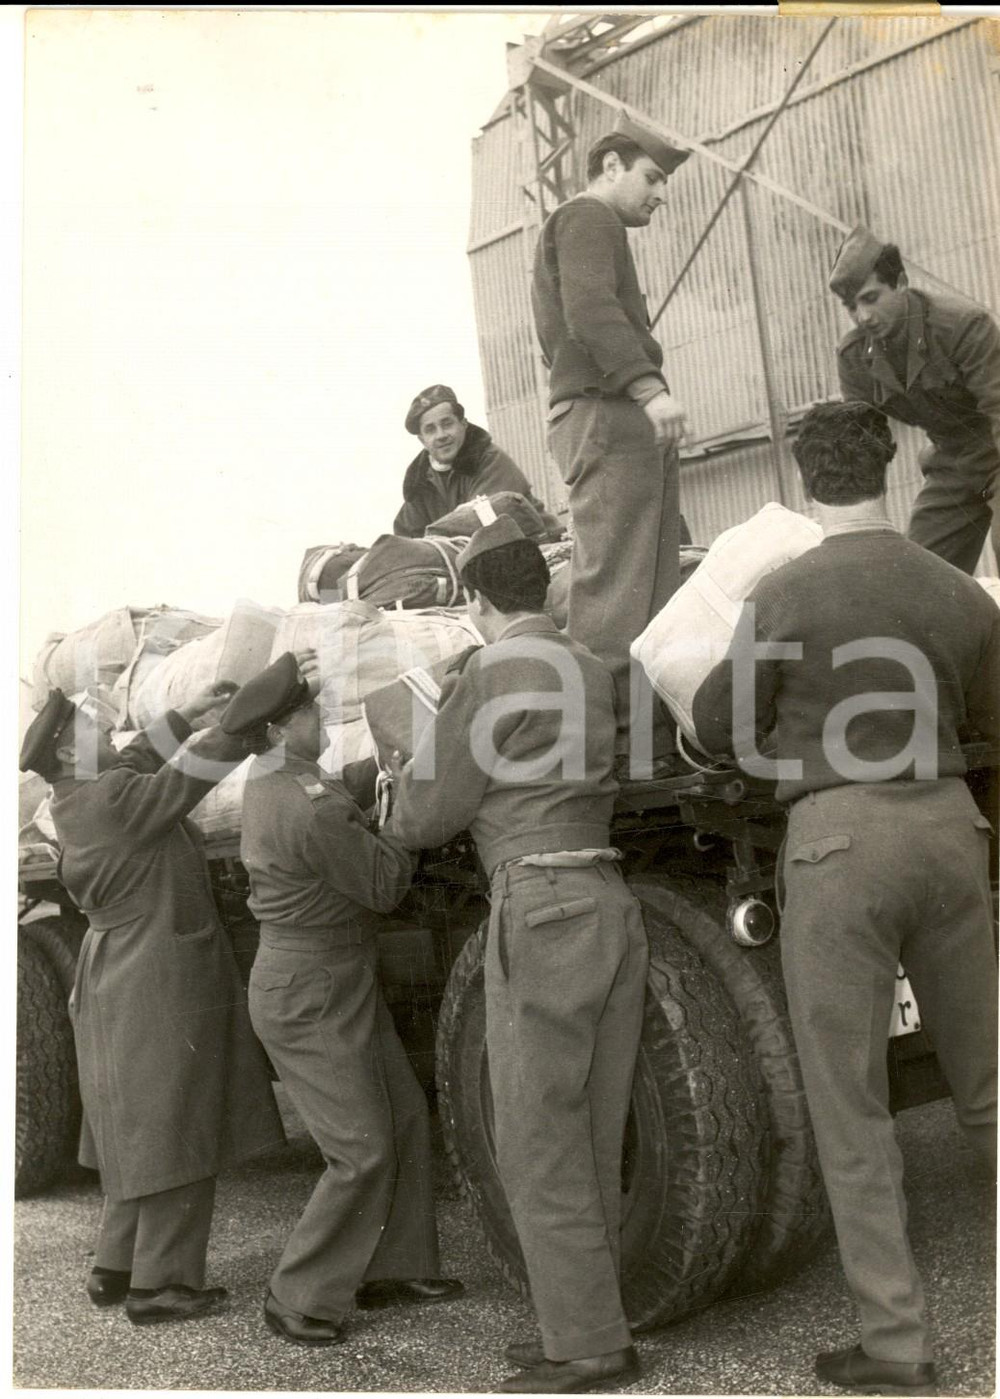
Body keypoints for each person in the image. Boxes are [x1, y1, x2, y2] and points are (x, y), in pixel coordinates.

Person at [691, 401, 999, 1395]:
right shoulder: (957, 592)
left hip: (839, 845)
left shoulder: (783, 591)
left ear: (804, 480)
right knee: (989, 1083)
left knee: (852, 1102)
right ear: (890, 469)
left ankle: (898, 1344)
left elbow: (715, 720)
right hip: (951, 833)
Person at [388, 517, 648, 1394]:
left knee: (540, 1137)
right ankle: (590, 1321)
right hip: (611, 896)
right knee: (595, 1125)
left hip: (537, 902)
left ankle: (585, 1345)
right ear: (542, 589)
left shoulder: (487, 672)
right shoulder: (588, 663)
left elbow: (425, 816)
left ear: (476, 599)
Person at [19, 679, 285, 1326]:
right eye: (87, 729)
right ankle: (162, 1284)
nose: (103, 730)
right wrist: (257, 707)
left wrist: (183, 714)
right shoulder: (112, 800)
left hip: (124, 971)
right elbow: (187, 777)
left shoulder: (79, 794)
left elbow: (137, 760)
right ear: (68, 753)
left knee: (136, 1127)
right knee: (177, 1124)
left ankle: (116, 1264)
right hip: (156, 973)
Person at [219, 653, 463, 1347]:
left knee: (405, 1114)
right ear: (276, 727)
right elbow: (385, 883)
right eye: (306, 710)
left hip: (330, 979)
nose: (319, 716)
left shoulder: (284, 777)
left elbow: (340, 798)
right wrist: (408, 809)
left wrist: (372, 789)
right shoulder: (304, 803)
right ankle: (297, 1294)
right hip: (311, 991)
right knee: (360, 1148)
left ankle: (396, 1264)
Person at [531, 110, 691, 774]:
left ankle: (637, 742)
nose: (659, 193)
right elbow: (591, 309)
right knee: (618, 586)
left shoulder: (591, 227)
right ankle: (605, 749)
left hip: (611, 413)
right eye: (651, 178)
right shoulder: (588, 218)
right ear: (611, 166)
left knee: (644, 586)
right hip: (607, 411)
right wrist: (650, 389)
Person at [830, 225, 1000, 574]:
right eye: (851, 307)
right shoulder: (854, 358)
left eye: (871, 298)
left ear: (902, 282)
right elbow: (863, 453)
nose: (862, 317)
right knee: (916, 576)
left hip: (997, 454)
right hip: (953, 463)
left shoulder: (962, 326)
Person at [394, 383, 562, 541]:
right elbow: (406, 540)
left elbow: (483, 524)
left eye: (447, 424)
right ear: (422, 440)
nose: (441, 435)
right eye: (430, 429)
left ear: (463, 424)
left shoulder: (489, 460)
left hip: (540, 548)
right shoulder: (417, 484)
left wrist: (430, 539)